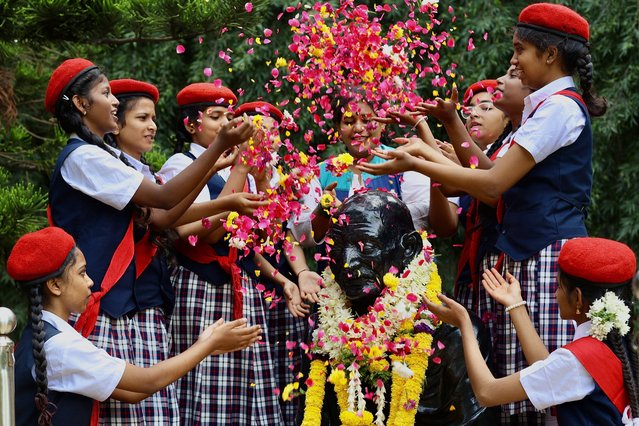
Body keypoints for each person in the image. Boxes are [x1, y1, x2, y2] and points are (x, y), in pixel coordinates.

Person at [358, 4, 606, 423]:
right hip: (529, 254)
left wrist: (419, 163)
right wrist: (426, 148)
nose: (515, 63)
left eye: (520, 51)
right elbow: (490, 177)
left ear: (549, 55)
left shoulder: (561, 108)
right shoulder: (544, 109)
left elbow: (491, 186)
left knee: (541, 384)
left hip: (547, 255)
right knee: (518, 384)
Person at [44, 58, 254, 424]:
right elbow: (164, 200)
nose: (112, 101)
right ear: (80, 104)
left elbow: (160, 219)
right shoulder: (83, 157)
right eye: (106, 93)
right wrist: (218, 149)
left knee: (153, 412)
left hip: (131, 306)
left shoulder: (106, 157)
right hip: (103, 305)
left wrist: (217, 170)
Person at [8, 227, 261, 426]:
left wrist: (205, 346)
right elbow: (147, 382)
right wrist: (207, 345)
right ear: (55, 286)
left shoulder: (47, 335)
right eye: (82, 273)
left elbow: (134, 393)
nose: (91, 282)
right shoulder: (61, 346)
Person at [297, 190, 497, 425]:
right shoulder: (328, 327)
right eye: (337, 247)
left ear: (409, 248)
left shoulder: (454, 334)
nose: (348, 263)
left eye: (366, 246)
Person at [158, 83, 284, 425]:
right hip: (200, 287)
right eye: (216, 117)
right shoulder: (179, 166)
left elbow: (266, 233)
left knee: (247, 383)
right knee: (201, 376)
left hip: (240, 284)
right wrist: (242, 168)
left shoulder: (234, 167)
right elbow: (211, 231)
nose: (227, 124)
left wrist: (261, 176)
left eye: (230, 116)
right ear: (190, 125)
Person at [426, 237, 639, 426]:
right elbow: (550, 368)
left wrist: (464, 323)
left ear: (578, 298)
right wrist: (515, 304)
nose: (555, 294)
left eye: (559, 287)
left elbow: (486, 392)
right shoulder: (610, 347)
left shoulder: (577, 361)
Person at [291, 95, 431, 250]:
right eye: (349, 122)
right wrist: (323, 210)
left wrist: (352, 211)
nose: (358, 128)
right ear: (338, 128)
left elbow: (426, 216)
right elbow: (305, 237)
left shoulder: (404, 162)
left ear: (382, 124)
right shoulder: (320, 173)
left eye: (366, 120)